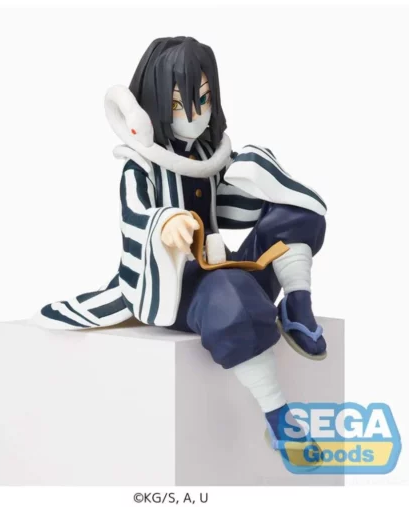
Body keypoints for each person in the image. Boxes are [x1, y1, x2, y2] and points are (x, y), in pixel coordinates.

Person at [32, 36, 327, 452]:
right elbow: (135, 215)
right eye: (177, 104)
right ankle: (280, 417)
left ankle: (297, 307)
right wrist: (167, 221)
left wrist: (259, 173)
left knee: (296, 214)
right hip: (180, 287)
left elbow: (238, 203)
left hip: (227, 269)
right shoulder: (141, 166)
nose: (194, 114)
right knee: (233, 299)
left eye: (203, 100)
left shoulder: (209, 155)